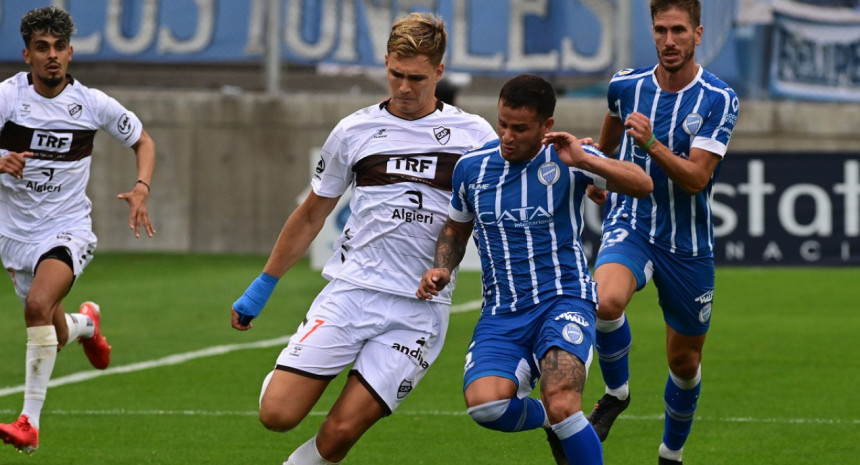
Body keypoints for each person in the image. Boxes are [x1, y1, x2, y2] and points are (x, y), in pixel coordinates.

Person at [229, 12, 495, 465]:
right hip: (350, 294)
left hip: (418, 312)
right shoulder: (354, 130)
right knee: (276, 413)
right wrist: (263, 285)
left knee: (340, 432)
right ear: (386, 63)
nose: (405, 88)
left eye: (417, 78)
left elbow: (499, 213)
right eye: (396, 74)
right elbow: (313, 213)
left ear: (439, 72)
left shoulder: (476, 136)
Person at [416, 74, 652, 465]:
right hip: (502, 313)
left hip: (564, 300)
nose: (508, 136)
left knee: (563, 400)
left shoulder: (568, 158)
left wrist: (585, 159)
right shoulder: (471, 168)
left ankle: (563, 420)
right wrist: (441, 268)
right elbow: (456, 228)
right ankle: (552, 423)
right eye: (502, 124)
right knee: (485, 407)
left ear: (546, 126)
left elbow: (642, 184)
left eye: (520, 128)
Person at [583, 1, 740, 464]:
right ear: (651, 32)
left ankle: (670, 454)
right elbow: (610, 129)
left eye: (679, 31)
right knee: (605, 300)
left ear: (698, 34)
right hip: (631, 221)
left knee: (684, 363)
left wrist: (651, 144)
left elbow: (696, 179)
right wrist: (598, 174)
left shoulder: (718, 98)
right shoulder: (626, 85)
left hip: (688, 243)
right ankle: (617, 393)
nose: (669, 41)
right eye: (660, 30)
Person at [0, 6, 156, 455]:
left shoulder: (90, 104)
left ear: (70, 52)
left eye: (60, 48)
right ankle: (86, 324)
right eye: (42, 48)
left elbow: (142, 140)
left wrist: (142, 186)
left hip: (67, 229)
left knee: (37, 305)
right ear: (26, 54)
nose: (52, 56)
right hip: (15, 237)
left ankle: (29, 421)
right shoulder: (9, 99)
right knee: (52, 328)